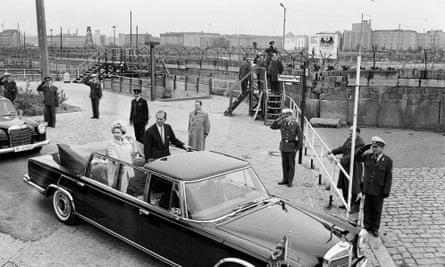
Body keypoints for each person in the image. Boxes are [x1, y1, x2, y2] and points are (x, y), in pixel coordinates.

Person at [356, 136, 393, 237]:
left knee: (377, 210)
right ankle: (367, 225)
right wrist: (364, 148)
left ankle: (375, 228)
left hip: (378, 190)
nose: (374, 149)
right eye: (373, 147)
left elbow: (388, 177)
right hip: (367, 188)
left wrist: (386, 191)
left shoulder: (387, 161)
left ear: (382, 148)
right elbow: (356, 157)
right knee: (367, 208)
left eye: (376, 147)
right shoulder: (368, 157)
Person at [327, 127, 365, 212]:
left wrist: (340, 160)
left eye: (352, 131)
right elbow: (342, 148)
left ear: (358, 132)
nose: (350, 133)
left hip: (354, 168)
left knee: (352, 186)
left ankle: (351, 205)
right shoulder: (349, 140)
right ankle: (345, 202)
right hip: (345, 166)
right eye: (349, 131)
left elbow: (354, 155)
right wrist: (332, 151)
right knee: (344, 185)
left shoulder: (360, 143)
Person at [270, 108, 303, 187]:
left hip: (291, 147)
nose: (286, 118)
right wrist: (279, 118)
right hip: (283, 146)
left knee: (291, 165)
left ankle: (290, 181)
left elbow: (300, 137)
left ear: (291, 116)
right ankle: (284, 179)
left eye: (287, 116)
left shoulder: (295, 124)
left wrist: (297, 148)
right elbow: (272, 126)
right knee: (284, 164)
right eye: (284, 117)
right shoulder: (282, 123)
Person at [106, 120, 139, 192]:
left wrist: (134, 145)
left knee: (125, 187)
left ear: (122, 133)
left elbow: (132, 154)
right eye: (114, 132)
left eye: (118, 132)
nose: (116, 134)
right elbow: (113, 157)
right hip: (117, 170)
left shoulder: (126, 142)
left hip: (127, 169)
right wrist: (120, 165)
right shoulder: (111, 144)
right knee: (118, 189)